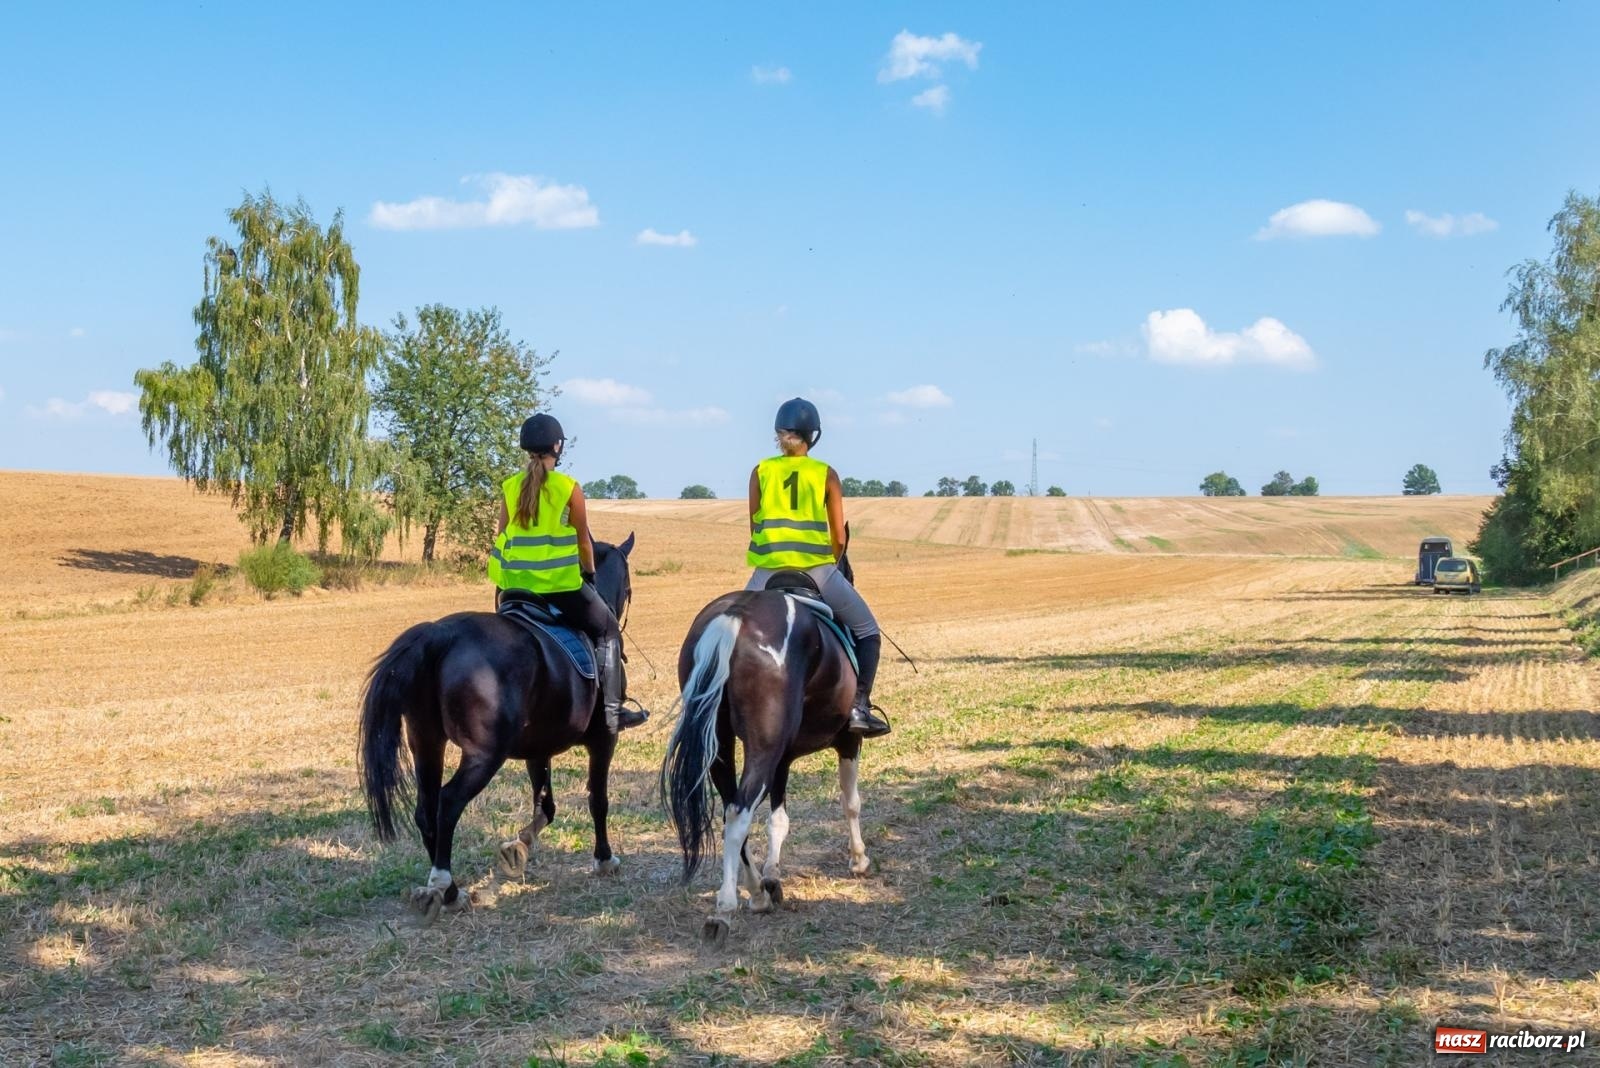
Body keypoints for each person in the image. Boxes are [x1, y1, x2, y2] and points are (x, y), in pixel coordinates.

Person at [489, 413, 647, 733]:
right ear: (557, 447)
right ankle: (613, 712)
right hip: (559, 586)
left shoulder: (509, 487)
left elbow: (501, 536)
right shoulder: (567, 488)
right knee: (607, 631)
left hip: (513, 589)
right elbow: (584, 543)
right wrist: (589, 575)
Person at [745, 398, 891, 736]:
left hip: (765, 575)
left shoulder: (760, 472)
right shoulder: (826, 474)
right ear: (814, 435)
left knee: (731, 629)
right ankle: (858, 707)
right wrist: (834, 559)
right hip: (817, 572)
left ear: (779, 435)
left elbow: (755, 527)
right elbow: (839, 537)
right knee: (868, 631)